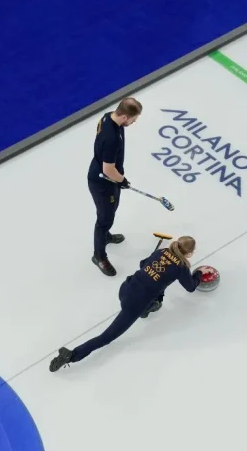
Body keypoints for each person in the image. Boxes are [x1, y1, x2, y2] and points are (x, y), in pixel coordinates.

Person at [49, 236, 211, 371]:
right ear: (189, 253)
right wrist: (197, 275)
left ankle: (147, 308)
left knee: (157, 292)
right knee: (106, 337)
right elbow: (190, 287)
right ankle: (72, 355)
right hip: (135, 304)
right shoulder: (181, 267)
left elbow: (142, 264)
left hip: (125, 289)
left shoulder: (162, 251)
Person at [87, 97, 143, 276]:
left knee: (111, 212)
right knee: (104, 219)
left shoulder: (107, 117)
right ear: (125, 117)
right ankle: (99, 256)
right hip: (104, 182)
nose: (135, 122)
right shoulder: (112, 139)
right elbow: (108, 169)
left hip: (108, 178)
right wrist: (122, 180)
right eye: (134, 119)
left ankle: (106, 237)